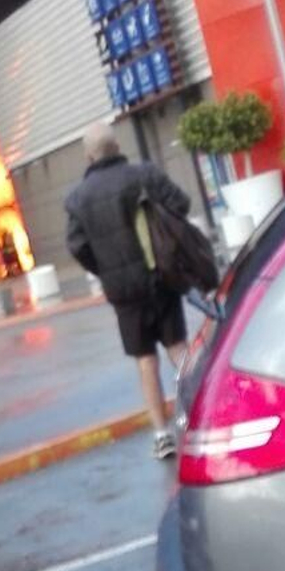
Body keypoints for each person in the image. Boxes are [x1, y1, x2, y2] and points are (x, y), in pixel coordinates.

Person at [65, 121, 191, 461]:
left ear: (89, 156)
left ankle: (162, 434)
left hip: (123, 292)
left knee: (145, 360)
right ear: (117, 148)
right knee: (178, 349)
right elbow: (181, 203)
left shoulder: (78, 198)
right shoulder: (144, 175)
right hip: (161, 278)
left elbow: (77, 245)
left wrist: (104, 269)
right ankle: (200, 414)